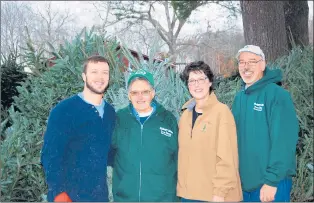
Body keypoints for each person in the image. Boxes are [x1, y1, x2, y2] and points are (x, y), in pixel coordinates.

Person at [41, 55, 116, 202]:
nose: (100, 77)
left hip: (99, 197)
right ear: (84, 76)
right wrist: (59, 193)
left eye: (104, 72)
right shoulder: (64, 110)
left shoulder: (110, 113)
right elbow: (50, 155)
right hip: (68, 197)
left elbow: (110, 154)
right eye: (94, 72)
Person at [232, 45, 299, 202]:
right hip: (244, 186)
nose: (246, 66)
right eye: (242, 62)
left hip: (271, 185)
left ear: (262, 65)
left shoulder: (277, 95)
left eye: (252, 61)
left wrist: (272, 180)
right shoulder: (239, 98)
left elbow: (284, 141)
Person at [109, 68, 179, 202]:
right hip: (126, 199)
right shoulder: (118, 119)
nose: (140, 97)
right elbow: (110, 156)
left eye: (145, 92)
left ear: (153, 93)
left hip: (162, 199)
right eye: (134, 93)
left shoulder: (168, 119)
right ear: (129, 95)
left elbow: (178, 159)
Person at [177, 61, 242, 202]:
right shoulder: (185, 115)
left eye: (201, 79)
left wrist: (220, 193)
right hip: (189, 195)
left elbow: (227, 157)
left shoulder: (221, 112)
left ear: (210, 82)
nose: (197, 85)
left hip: (214, 196)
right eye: (192, 81)